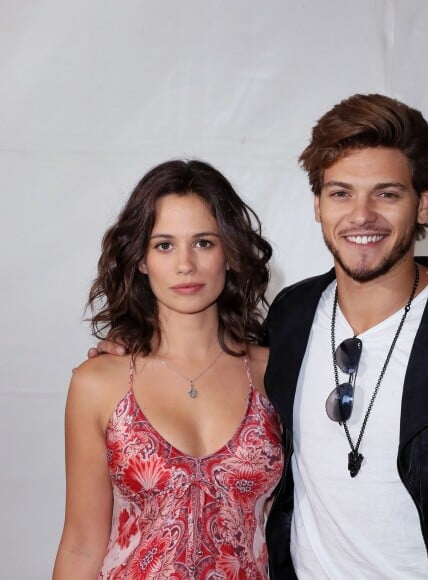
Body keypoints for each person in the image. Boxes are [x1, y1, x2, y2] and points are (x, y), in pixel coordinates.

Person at [91, 95, 428, 579]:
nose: (361, 215)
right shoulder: (292, 318)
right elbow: (209, 358)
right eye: (341, 193)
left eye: (386, 193)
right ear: (318, 205)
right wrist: (131, 348)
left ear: (425, 202)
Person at [53, 159, 283, 579]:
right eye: (164, 245)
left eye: (204, 243)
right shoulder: (99, 383)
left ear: (230, 253)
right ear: (140, 259)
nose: (185, 265)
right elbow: (81, 546)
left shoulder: (276, 373)